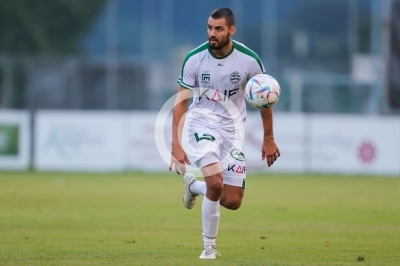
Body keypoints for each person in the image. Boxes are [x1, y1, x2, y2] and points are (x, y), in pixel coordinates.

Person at [169, 7, 280, 259]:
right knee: (216, 182)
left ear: (231, 30)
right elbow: (180, 103)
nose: (212, 33)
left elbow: (265, 100)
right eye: (209, 27)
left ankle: (194, 188)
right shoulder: (194, 59)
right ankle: (209, 248)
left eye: (218, 29)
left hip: (232, 132)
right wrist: (175, 143)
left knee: (232, 200)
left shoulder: (249, 60)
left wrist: (269, 138)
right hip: (203, 126)